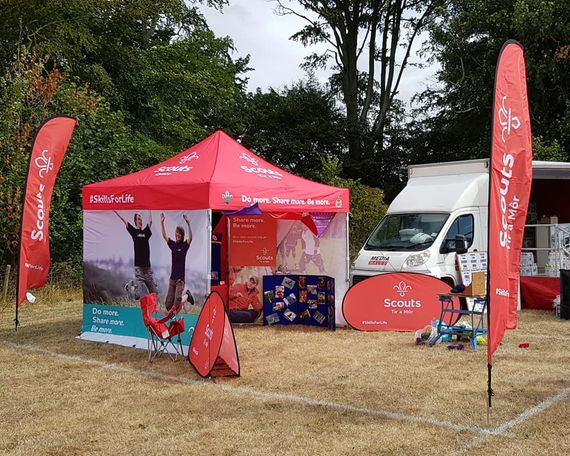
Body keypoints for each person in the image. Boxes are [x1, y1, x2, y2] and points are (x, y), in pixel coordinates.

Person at [114, 210, 158, 299]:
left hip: (147, 268)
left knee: (155, 293)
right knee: (137, 296)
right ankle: (131, 286)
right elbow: (124, 220)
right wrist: (116, 211)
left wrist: (149, 209)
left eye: (141, 219)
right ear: (135, 221)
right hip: (139, 268)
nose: (140, 221)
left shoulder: (146, 232)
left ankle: (134, 284)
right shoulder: (134, 232)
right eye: (138, 219)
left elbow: (150, 222)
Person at [161, 213, 192, 311]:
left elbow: (191, 238)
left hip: (180, 281)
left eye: (179, 233)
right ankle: (186, 296)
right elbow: (164, 236)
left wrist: (188, 223)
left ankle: (187, 296)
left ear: (182, 235)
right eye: (176, 233)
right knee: (168, 305)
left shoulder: (184, 246)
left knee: (176, 305)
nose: (177, 234)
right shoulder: (173, 245)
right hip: (172, 280)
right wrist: (162, 222)